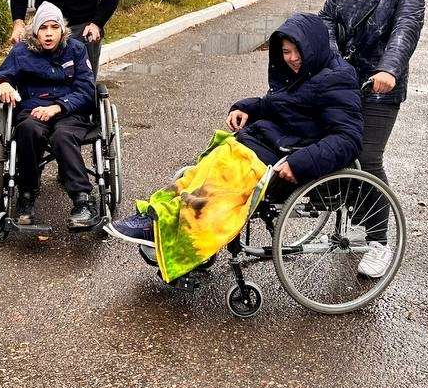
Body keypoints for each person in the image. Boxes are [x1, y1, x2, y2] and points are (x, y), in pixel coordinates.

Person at [113, 14, 362, 249]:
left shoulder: (336, 79)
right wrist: (245, 107)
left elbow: (347, 139)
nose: (292, 58)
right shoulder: (303, 72)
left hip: (290, 153)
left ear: (314, 48)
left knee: (220, 179)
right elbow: (278, 104)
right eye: (286, 51)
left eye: (298, 52)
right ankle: (156, 212)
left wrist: (301, 163)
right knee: (200, 170)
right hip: (268, 141)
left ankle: (166, 226)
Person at [318, 0, 425, 274]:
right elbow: (327, 18)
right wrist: (332, 59)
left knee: (367, 158)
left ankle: (379, 242)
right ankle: (352, 218)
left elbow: (406, 27)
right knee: (336, 150)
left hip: (380, 87)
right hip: (342, 80)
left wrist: (389, 69)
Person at [0, 2, 99, 229]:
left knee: (62, 136)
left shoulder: (76, 49)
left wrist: (57, 107)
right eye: (43, 28)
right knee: (27, 130)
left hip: (69, 112)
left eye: (54, 27)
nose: (49, 33)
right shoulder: (21, 52)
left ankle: (82, 201)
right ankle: (27, 195)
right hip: (33, 111)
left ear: (62, 29)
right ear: (35, 31)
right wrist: (3, 85)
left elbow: (87, 91)